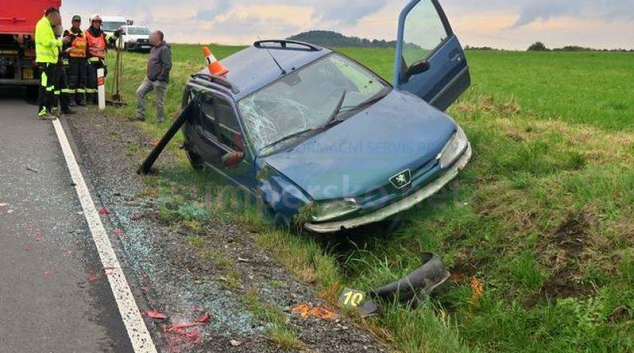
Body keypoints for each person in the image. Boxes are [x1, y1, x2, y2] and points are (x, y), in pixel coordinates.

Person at [34, 7, 71, 120]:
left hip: (49, 61)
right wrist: (61, 41)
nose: (57, 20)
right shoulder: (43, 24)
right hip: (45, 62)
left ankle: (48, 109)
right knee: (45, 87)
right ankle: (42, 111)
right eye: (56, 17)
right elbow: (46, 42)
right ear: (51, 15)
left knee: (49, 87)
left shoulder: (47, 25)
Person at [134, 30, 172, 123]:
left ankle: (160, 120)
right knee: (139, 92)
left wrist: (160, 78)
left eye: (152, 36)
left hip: (159, 81)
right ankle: (140, 115)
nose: (149, 38)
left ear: (157, 38)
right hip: (149, 79)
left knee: (159, 102)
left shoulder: (164, 49)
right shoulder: (153, 49)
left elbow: (167, 65)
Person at [84, 14, 122, 104]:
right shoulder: (86, 33)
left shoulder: (102, 34)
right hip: (90, 62)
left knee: (99, 82)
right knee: (91, 81)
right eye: (95, 22)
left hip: (100, 63)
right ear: (91, 22)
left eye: (98, 22)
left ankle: (98, 99)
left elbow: (111, 40)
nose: (97, 24)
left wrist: (117, 32)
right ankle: (89, 99)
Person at [63, 15, 88, 106]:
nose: (77, 23)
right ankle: (71, 99)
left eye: (78, 21)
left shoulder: (83, 34)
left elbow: (86, 48)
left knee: (82, 80)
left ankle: (80, 99)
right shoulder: (67, 33)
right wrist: (65, 61)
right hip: (72, 60)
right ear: (72, 22)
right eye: (75, 21)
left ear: (80, 22)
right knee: (73, 80)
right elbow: (64, 48)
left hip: (82, 60)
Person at [52, 24, 75, 115]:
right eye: (58, 29)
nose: (60, 30)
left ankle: (65, 108)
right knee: (56, 89)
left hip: (60, 66)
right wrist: (66, 51)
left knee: (64, 88)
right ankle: (54, 108)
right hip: (55, 66)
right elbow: (56, 54)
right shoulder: (53, 41)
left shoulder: (58, 40)